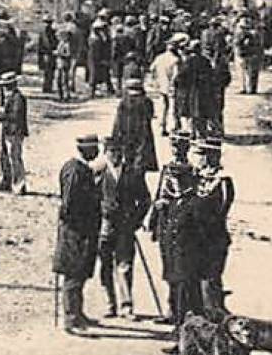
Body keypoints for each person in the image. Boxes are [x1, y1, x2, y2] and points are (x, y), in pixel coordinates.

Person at [53, 134, 106, 333]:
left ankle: (78, 312)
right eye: (95, 149)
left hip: (81, 230)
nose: (98, 152)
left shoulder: (79, 168)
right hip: (76, 232)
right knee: (74, 273)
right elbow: (69, 205)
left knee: (81, 272)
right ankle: (71, 318)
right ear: (87, 150)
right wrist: (81, 224)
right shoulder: (76, 171)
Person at [149, 155, 205, 333]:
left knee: (188, 302)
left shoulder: (195, 204)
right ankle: (180, 336)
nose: (174, 184)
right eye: (174, 180)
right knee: (179, 301)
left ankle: (188, 341)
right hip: (175, 261)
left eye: (178, 180)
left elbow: (202, 236)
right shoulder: (173, 202)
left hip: (188, 263)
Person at [97, 136, 151, 319]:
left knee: (125, 265)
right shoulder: (98, 174)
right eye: (112, 152)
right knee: (105, 266)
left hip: (125, 228)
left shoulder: (133, 174)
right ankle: (110, 303)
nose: (115, 156)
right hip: (104, 227)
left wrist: (136, 220)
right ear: (105, 153)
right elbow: (89, 200)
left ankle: (126, 306)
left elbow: (145, 200)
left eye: (119, 152)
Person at [194, 139, 235, 315]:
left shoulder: (223, 182)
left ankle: (214, 311)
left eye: (202, 155)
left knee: (211, 275)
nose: (199, 159)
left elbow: (222, 210)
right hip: (196, 237)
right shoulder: (195, 177)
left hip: (214, 237)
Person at [110, 77, 159, 174]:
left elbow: (117, 124)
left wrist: (115, 144)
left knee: (127, 167)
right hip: (142, 137)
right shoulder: (146, 101)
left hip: (126, 137)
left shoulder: (124, 102)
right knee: (140, 169)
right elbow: (150, 115)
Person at [0, 72, 29, 194]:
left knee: (14, 157)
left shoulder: (18, 98)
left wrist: (2, 116)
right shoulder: (10, 97)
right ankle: (6, 180)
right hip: (7, 130)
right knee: (4, 156)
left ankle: (19, 184)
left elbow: (16, 115)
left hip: (15, 131)